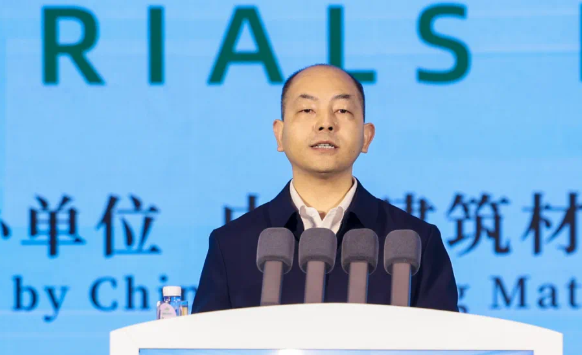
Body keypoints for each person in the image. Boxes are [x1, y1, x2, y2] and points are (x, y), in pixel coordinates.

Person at [192, 64, 458, 313]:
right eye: (307, 110)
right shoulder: (232, 245)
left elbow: (445, 344)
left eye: (342, 110)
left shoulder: (415, 242)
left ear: (366, 136)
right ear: (279, 134)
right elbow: (204, 345)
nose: (325, 123)